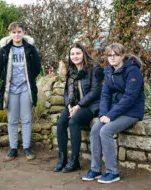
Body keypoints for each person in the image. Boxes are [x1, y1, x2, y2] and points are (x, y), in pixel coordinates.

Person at [82, 43, 145, 183]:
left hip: (132, 111)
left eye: (116, 54)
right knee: (95, 130)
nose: (112, 57)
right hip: (114, 111)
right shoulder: (109, 71)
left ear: (123, 55)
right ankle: (96, 169)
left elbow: (130, 98)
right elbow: (105, 95)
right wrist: (103, 115)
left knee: (106, 131)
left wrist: (110, 116)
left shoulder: (133, 71)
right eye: (109, 55)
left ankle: (112, 172)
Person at [53, 43, 104, 173]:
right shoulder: (72, 71)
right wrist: (69, 104)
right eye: (72, 54)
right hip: (74, 105)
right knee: (61, 123)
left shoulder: (94, 69)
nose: (75, 56)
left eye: (78, 53)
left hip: (91, 106)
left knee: (73, 121)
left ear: (84, 54)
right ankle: (62, 159)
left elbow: (96, 91)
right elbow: (66, 92)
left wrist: (79, 105)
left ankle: (74, 161)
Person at [0, 22, 41, 161]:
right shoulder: (4, 50)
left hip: (25, 88)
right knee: (12, 119)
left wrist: (29, 80)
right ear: (10, 33)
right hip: (11, 89)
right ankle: (13, 148)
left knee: (26, 119)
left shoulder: (30, 49)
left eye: (19, 32)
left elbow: (37, 68)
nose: (16, 34)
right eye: (13, 32)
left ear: (23, 32)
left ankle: (27, 147)